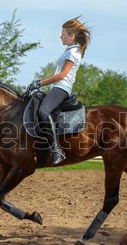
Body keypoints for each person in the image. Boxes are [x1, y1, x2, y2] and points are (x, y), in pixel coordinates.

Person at [27, 17, 90, 165]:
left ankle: (56, 149)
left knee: (43, 112)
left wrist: (40, 82)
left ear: (72, 36)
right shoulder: (68, 51)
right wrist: (39, 83)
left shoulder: (73, 53)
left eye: (63, 34)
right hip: (57, 87)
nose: (60, 37)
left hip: (62, 88)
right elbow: (56, 73)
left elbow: (62, 75)